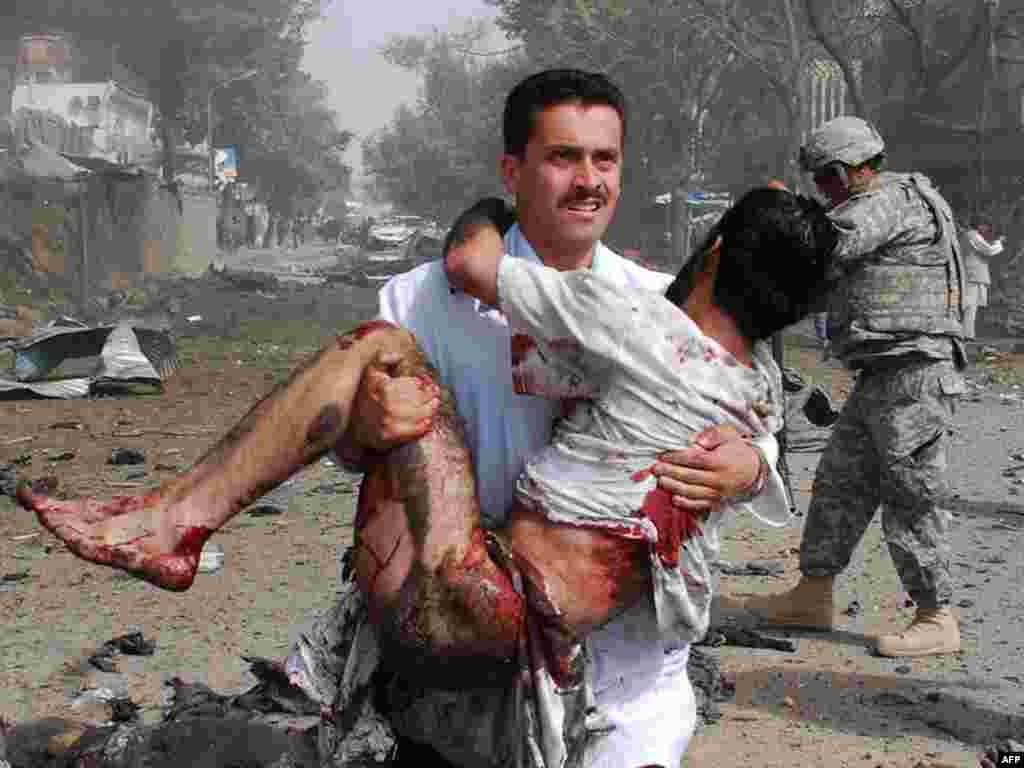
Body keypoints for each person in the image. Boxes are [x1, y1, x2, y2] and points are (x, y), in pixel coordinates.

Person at [20, 70, 781, 766]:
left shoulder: (659, 305)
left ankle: (173, 522)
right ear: (512, 170)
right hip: (454, 632)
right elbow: (359, 461)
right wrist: (366, 428)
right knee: (378, 354)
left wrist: (750, 464)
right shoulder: (417, 301)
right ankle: (175, 523)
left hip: (617, 681)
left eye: (605, 160)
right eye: (563, 158)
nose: (589, 182)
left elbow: (759, 418)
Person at [745, 115, 967, 658]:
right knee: (840, 482)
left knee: (912, 494)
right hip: (882, 376)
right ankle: (815, 592)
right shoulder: (876, 205)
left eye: (823, 180)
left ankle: (937, 615)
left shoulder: (888, 201)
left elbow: (830, 245)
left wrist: (782, 217)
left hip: (915, 374)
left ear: (847, 171)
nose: (821, 192)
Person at [961, 217, 1002, 339]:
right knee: (969, 305)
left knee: (970, 305)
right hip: (972, 275)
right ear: (980, 225)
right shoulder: (972, 236)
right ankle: (966, 334)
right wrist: (999, 242)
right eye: (986, 225)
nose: (988, 228)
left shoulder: (970, 236)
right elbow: (988, 250)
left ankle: (967, 333)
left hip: (973, 275)